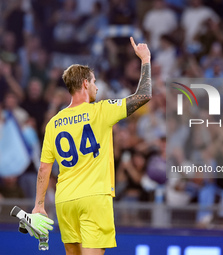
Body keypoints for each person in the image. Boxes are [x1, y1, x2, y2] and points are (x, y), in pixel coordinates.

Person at [32, 37, 151, 255]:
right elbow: (144, 95)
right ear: (85, 84)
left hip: (65, 201)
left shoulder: (53, 123)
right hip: (94, 198)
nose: (96, 87)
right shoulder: (101, 110)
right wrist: (145, 60)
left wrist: (39, 205)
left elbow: (44, 168)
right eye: (94, 82)